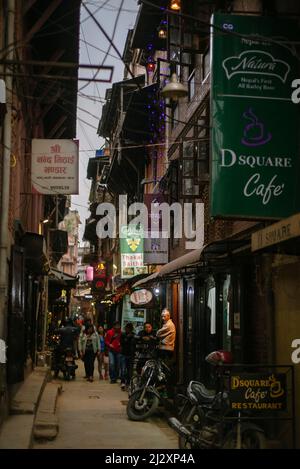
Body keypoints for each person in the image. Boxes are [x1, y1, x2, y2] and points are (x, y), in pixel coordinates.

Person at [120, 323, 135, 390]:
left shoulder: (133, 335)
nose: (128, 329)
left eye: (129, 328)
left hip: (131, 355)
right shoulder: (123, 335)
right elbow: (122, 343)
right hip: (124, 354)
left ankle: (128, 383)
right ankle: (123, 382)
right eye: (127, 328)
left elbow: (134, 344)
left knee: (129, 370)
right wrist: (127, 337)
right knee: (123, 369)